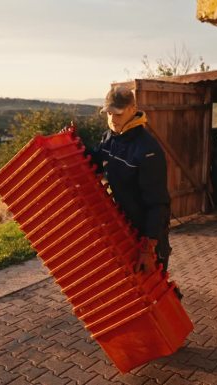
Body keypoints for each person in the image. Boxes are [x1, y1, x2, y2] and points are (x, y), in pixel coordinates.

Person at [78, 85, 173, 275]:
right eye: (109, 114)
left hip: (146, 234)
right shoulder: (110, 138)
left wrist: (148, 247)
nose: (112, 120)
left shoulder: (147, 150)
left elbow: (158, 203)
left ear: (132, 110)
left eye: (118, 114)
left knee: (153, 290)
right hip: (123, 226)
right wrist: (75, 143)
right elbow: (94, 162)